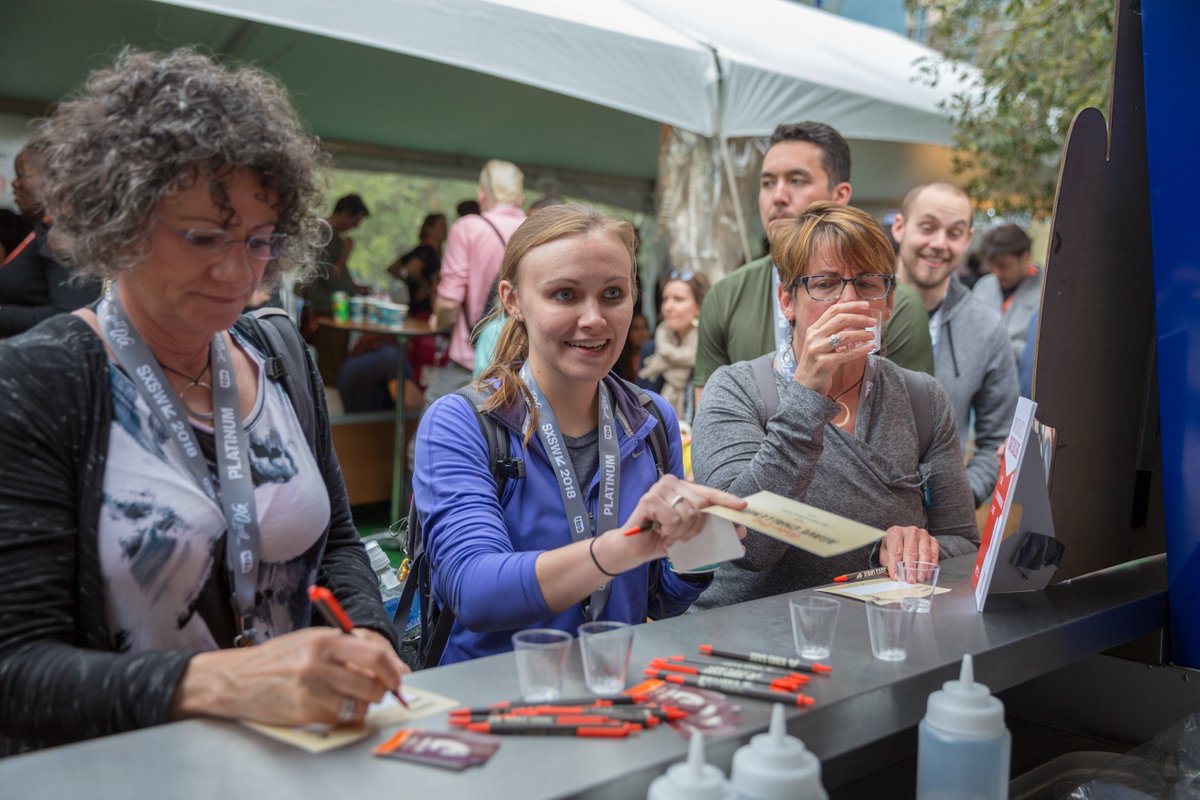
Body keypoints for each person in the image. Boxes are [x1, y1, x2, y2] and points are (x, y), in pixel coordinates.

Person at [0, 49, 408, 754]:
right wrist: (223, 682)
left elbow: (338, 543)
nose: (236, 271)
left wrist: (364, 636)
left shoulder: (278, 354)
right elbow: (17, 667)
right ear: (118, 221)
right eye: (202, 238)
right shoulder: (40, 380)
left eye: (260, 241)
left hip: (296, 757)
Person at [412, 204, 745, 665]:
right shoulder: (462, 421)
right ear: (512, 300)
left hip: (614, 687)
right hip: (495, 696)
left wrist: (701, 546)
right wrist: (617, 549)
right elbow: (475, 591)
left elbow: (656, 600)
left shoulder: (651, 419)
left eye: (612, 293)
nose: (594, 318)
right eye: (565, 294)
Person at [692, 203, 978, 609]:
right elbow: (746, 545)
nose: (849, 301)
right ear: (787, 301)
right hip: (751, 631)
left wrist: (916, 548)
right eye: (825, 284)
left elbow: (963, 541)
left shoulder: (923, 398)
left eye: (868, 284)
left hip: (876, 632)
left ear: (889, 303)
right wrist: (808, 393)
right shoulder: (736, 390)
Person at [694, 122, 934, 404]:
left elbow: (902, 417)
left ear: (840, 195)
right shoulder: (724, 296)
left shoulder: (892, 303)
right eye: (768, 183)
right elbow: (711, 419)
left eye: (797, 181)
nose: (778, 197)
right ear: (785, 299)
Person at [892, 182, 1018, 507]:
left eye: (954, 233)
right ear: (899, 227)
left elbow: (997, 440)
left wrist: (957, 502)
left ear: (966, 240)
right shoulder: (858, 306)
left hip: (935, 524)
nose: (939, 244)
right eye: (927, 228)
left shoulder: (986, 327)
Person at [428, 159, 526, 402]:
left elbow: (449, 304)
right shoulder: (535, 230)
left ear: (481, 195)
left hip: (470, 359)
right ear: (520, 198)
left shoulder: (467, 228)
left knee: (435, 417)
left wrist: (437, 323)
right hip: (522, 361)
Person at [0, 140, 101, 337]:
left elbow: (70, 315)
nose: (15, 183)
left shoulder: (66, 234)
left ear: (57, 180)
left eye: (22, 174)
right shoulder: (44, 227)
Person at [301, 193, 371, 384]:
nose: (355, 227)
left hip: (334, 310)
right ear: (346, 213)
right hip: (326, 312)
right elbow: (329, 277)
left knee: (335, 363)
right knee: (330, 367)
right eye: (355, 221)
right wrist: (345, 254)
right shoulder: (323, 235)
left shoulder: (333, 237)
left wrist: (355, 288)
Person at [639, 270, 709, 423]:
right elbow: (638, 410)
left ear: (699, 306)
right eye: (665, 299)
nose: (668, 307)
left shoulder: (708, 351)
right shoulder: (651, 350)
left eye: (678, 299)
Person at [972, 223, 1042, 360]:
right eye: (992, 266)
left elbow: (1039, 352)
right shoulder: (984, 286)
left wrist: (999, 348)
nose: (996, 273)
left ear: (1025, 257)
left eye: (1003, 266)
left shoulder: (1044, 294)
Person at [387, 212, 446, 317]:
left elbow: (393, 268)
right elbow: (411, 269)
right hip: (423, 309)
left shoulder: (426, 251)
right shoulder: (426, 250)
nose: (445, 229)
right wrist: (424, 285)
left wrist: (409, 282)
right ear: (429, 229)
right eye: (441, 225)